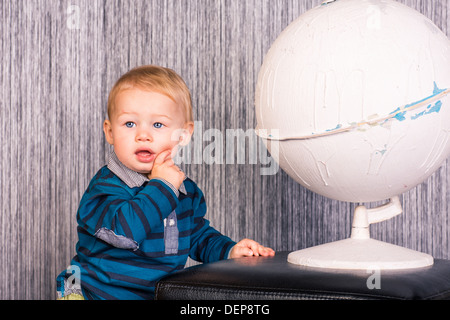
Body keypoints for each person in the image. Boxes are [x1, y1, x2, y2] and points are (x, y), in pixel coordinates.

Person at [56, 65, 275, 300]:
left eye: (157, 125)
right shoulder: (105, 187)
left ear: (183, 135)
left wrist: (230, 250)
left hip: (154, 295)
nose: (143, 135)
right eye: (130, 124)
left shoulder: (185, 191)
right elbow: (123, 233)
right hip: (94, 292)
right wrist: (163, 186)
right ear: (109, 132)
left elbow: (197, 236)